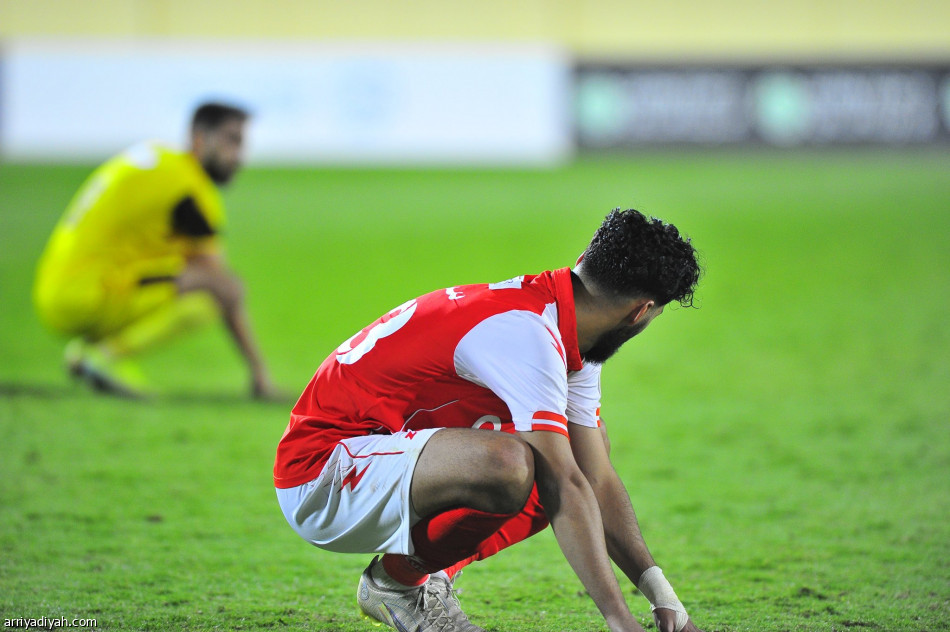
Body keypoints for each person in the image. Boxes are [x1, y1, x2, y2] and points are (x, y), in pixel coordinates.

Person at [274, 209, 705, 632]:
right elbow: (567, 485)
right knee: (513, 465)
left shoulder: (567, 330)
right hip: (320, 473)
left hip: (385, 449)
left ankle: (413, 578)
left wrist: (664, 599)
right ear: (640, 311)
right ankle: (400, 585)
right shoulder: (528, 331)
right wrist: (620, 621)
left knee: (566, 452)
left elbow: (595, 477)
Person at [33, 102, 279, 399]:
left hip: (56, 287)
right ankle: (105, 355)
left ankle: (93, 354)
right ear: (199, 139)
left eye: (242, 144)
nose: (239, 157)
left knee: (177, 272)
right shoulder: (188, 189)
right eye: (231, 141)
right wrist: (259, 372)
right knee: (211, 295)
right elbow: (224, 286)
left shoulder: (157, 160)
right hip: (86, 295)